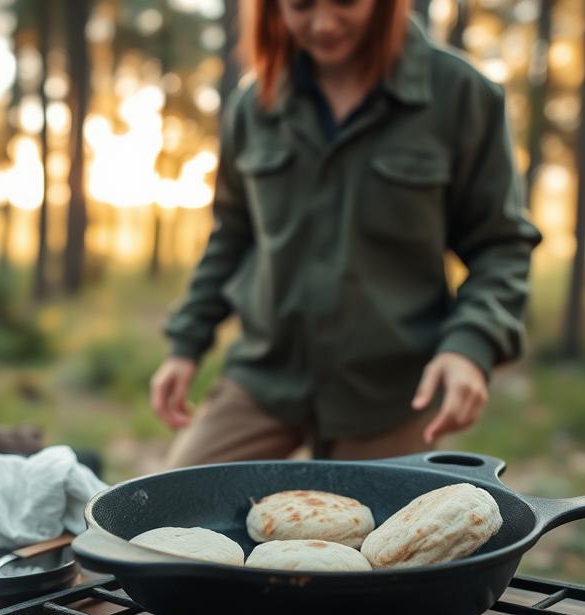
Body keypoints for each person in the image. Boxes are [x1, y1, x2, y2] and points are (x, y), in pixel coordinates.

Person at [151, 0, 540, 466]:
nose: (323, 23)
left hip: (391, 395)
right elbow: (232, 236)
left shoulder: (461, 96)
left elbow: (500, 246)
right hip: (265, 375)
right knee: (174, 504)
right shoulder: (253, 107)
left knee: (378, 516)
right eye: (300, 5)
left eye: (345, 1)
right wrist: (186, 343)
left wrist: (470, 346)